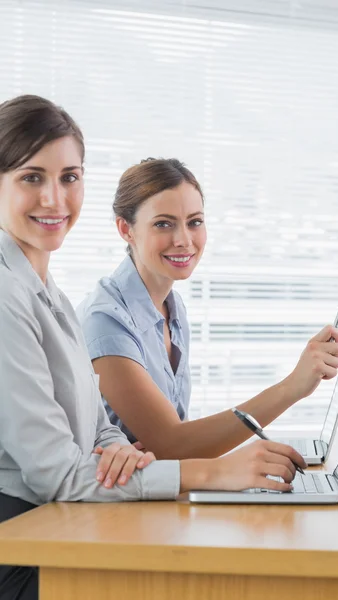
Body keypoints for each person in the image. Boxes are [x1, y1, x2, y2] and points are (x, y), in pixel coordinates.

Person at [0, 95, 309, 600]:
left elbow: (97, 426)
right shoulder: (15, 298)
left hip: (63, 525)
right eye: (31, 178)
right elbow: (58, 472)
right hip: (26, 546)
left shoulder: (49, 291)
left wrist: (119, 451)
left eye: (70, 178)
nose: (55, 199)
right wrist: (216, 473)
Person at [77, 157, 338, 461]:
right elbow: (172, 445)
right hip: (113, 505)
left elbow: (175, 447)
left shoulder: (172, 310)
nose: (184, 240)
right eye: (163, 224)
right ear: (126, 229)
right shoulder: (105, 320)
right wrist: (291, 387)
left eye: (195, 222)